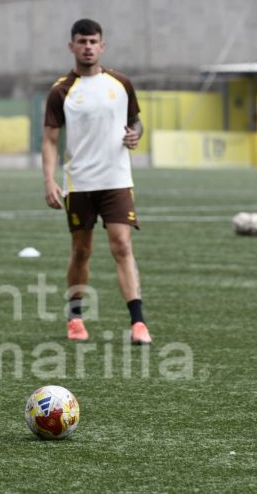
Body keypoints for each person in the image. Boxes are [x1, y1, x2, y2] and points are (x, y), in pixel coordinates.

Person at [42, 18, 153, 345]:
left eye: (93, 42)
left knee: (122, 245)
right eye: (82, 41)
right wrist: (49, 180)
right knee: (81, 250)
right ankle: (75, 318)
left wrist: (135, 134)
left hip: (117, 179)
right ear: (72, 46)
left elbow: (136, 122)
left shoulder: (121, 83)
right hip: (79, 183)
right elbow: (50, 139)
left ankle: (138, 323)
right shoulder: (61, 90)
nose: (88, 47)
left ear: (102, 46)